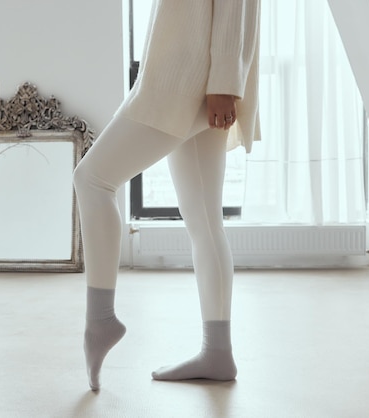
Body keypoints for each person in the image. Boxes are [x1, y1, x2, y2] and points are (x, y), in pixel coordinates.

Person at [73, 0, 261, 391]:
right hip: (187, 71)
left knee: (92, 179)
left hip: (189, 79)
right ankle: (218, 352)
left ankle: (100, 320)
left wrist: (226, 82)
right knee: (205, 220)